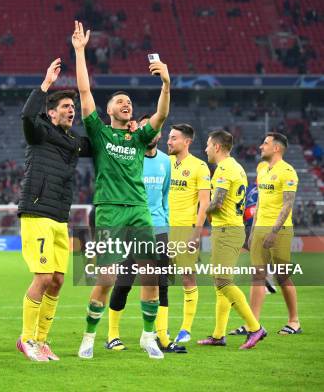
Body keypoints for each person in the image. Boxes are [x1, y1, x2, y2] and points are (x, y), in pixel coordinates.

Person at [72, 21, 171, 360]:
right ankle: (88, 336)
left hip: (139, 207)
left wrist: (167, 82)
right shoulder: (100, 133)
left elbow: (160, 115)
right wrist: (80, 51)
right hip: (111, 208)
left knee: (151, 273)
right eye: (120, 100)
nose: (126, 103)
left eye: (128, 101)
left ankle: (147, 336)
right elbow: (85, 94)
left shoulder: (138, 136)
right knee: (107, 276)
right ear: (110, 110)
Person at [17, 58, 91, 361]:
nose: (70, 111)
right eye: (64, 107)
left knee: (58, 279)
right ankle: (27, 339)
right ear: (50, 113)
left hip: (60, 216)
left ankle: (42, 340)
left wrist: (125, 128)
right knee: (44, 276)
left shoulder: (73, 140)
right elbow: (26, 115)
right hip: (37, 212)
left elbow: (100, 143)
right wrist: (45, 84)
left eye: (72, 108)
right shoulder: (39, 131)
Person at [105, 116, 186, 354]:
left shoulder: (165, 162)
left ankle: (160, 337)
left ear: (159, 133)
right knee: (124, 283)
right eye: (144, 128)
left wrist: (168, 232)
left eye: (154, 129)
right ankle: (112, 335)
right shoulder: (130, 157)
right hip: (132, 228)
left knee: (161, 285)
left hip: (159, 229)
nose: (150, 133)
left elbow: (164, 199)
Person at [198, 129, 266, 349]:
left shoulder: (224, 169)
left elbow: (217, 203)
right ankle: (218, 335)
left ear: (217, 147)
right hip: (231, 229)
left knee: (223, 282)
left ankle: (255, 328)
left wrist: (198, 213)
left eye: (208, 145)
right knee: (221, 284)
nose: (205, 148)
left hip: (227, 229)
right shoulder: (236, 166)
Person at [231, 133, 301, 336]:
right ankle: (253, 324)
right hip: (259, 228)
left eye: (266, 144)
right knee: (257, 276)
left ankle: (294, 321)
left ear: (277, 148)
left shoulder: (288, 172)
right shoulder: (261, 169)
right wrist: (252, 231)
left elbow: (288, 204)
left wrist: (274, 231)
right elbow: (260, 202)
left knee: (282, 275)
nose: (261, 146)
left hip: (280, 230)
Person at [166, 123, 211, 344]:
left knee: (187, 278)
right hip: (161, 229)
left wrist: (196, 234)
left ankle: (185, 329)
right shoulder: (164, 163)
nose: (169, 141)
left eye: (173, 138)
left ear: (187, 142)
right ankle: (159, 329)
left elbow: (205, 203)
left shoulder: (199, 167)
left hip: (185, 231)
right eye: (169, 137)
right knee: (158, 280)